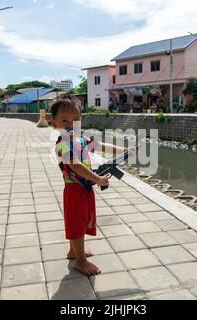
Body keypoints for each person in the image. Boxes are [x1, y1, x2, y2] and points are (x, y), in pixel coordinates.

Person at [51, 94, 133, 276]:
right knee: (76, 223)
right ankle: (80, 260)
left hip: (84, 188)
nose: (71, 124)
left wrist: (124, 150)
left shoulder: (80, 139)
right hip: (74, 190)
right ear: (54, 123)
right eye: (65, 120)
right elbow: (75, 165)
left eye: (76, 120)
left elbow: (101, 145)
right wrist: (97, 178)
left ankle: (74, 251)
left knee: (81, 221)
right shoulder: (63, 144)